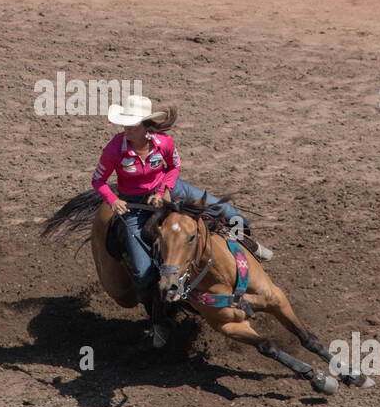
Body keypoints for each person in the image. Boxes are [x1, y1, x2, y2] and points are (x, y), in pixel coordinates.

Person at [90, 95, 269, 313]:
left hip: (170, 187)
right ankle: (157, 316)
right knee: (141, 271)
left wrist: (164, 191)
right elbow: (97, 180)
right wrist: (113, 200)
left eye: (132, 124)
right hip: (135, 205)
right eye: (124, 123)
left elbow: (174, 166)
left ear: (146, 126)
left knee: (229, 213)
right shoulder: (114, 150)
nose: (126, 128)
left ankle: (250, 246)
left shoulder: (164, 142)